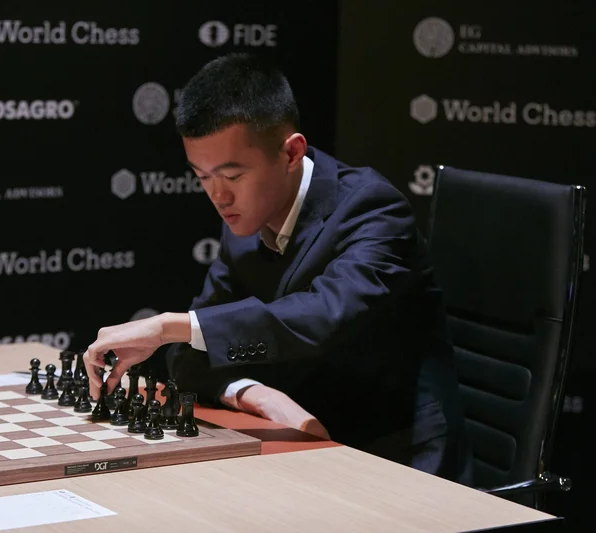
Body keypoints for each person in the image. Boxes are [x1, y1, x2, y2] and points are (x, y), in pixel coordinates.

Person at [83, 52, 473, 486]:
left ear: (291, 152)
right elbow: (191, 357)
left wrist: (165, 328)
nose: (218, 196)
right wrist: (257, 395)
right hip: (298, 444)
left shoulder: (373, 210)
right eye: (203, 176)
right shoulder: (244, 222)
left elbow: (324, 316)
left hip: (397, 457)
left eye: (232, 176)